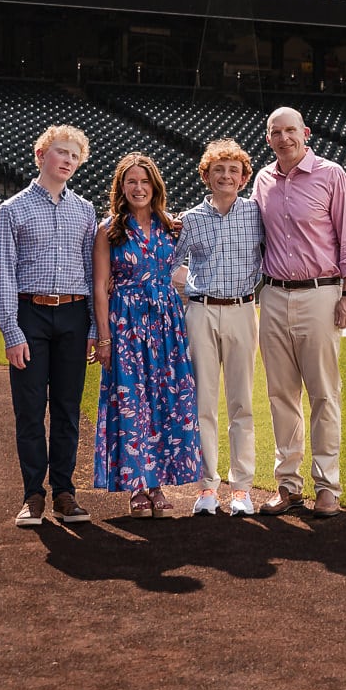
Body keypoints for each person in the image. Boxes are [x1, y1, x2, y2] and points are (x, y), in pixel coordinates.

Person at [252, 106, 346, 519]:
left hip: (321, 293)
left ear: (306, 134)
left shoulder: (331, 174)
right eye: (276, 132)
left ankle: (327, 486)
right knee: (281, 395)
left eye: (290, 131)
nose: (284, 138)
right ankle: (287, 485)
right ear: (268, 139)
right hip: (274, 295)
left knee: (322, 394)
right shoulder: (263, 181)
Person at [0, 124, 98, 527]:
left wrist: (92, 327)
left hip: (74, 315)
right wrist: (11, 330)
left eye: (74, 155)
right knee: (30, 410)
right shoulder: (13, 209)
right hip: (30, 314)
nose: (68, 161)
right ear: (42, 156)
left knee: (68, 410)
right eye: (61, 153)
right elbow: (4, 272)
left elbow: (91, 274)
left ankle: (64, 493)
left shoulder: (85, 210)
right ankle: (33, 495)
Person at [91, 153, 201, 518]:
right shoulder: (108, 229)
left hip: (167, 324)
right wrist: (104, 338)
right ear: (121, 188)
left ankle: (158, 484)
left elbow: (188, 269)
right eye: (131, 182)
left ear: (155, 186)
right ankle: (137, 487)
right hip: (125, 323)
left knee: (164, 402)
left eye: (144, 181)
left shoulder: (173, 226)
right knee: (131, 402)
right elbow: (99, 287)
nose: (138, 188)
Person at [172, 138, 266, 517]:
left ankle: (241, 489)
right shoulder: (190, 219)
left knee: (241, 403)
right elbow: (171, 265)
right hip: (202, 311)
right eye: (218, 170)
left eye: (233, 170)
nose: (226, 176)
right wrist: (186, 291)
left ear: (244, 178)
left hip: (244, 310)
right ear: (206, 176)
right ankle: (207, 488)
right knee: (203, 404)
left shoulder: (258, 213)